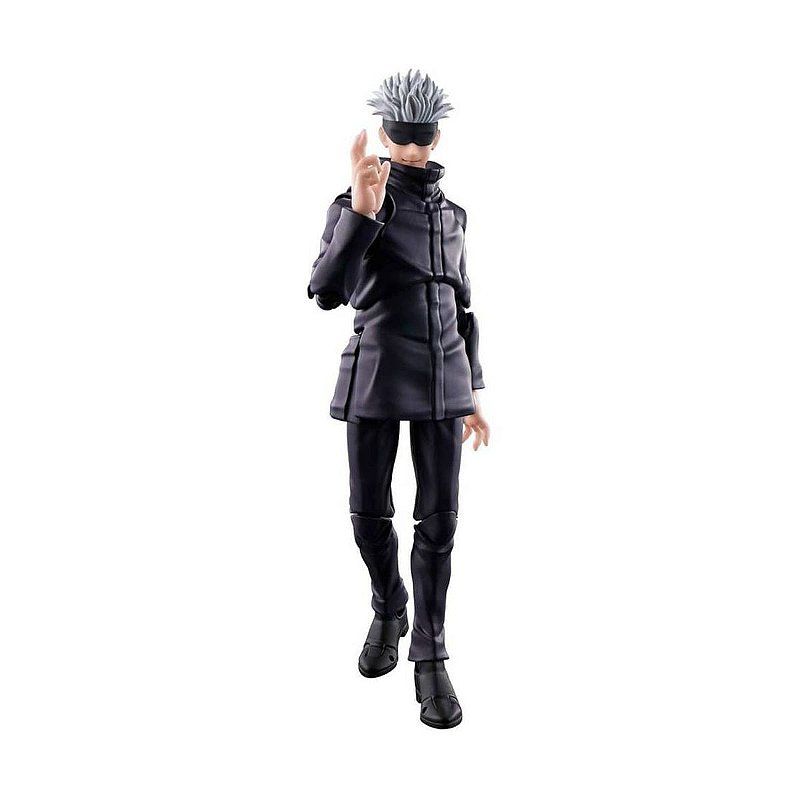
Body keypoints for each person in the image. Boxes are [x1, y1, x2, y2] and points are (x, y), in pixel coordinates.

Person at [307, 70, 490, 729]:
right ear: (384, 135)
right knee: (368, 514)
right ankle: (389, 605)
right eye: (401, 137)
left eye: (423, 137)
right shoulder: (358, 201)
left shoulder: (453, 215)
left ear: (437, 137)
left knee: (439, 524)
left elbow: (461, 305)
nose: (412, 150)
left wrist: (473, 388)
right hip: (378, 372)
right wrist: (362, 210)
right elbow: (327, 291)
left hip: (444, 378)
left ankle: (430, 655)